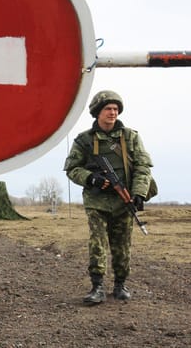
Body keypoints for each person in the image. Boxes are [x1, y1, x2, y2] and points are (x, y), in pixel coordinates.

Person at [64, 90, 153, 305]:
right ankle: (97, 287)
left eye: (116, 109)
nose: (113, 113)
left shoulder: (131, 137)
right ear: (97, 112)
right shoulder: (84, 140)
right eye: (108, 109)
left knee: (122, 245)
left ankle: (120, 285)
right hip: (97, 202)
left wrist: (139, 193)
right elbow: (72, 168)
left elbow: (143, 167)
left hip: (125, 201)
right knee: (98, 243)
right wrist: (90, 179)